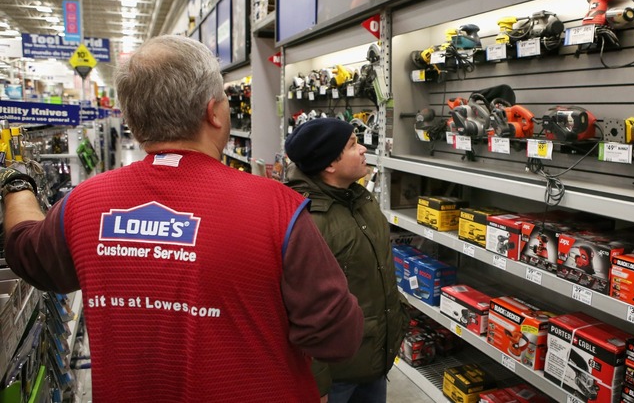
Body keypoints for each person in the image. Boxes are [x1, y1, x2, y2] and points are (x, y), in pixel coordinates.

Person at [2, 35, 363, 402]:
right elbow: (337, 339)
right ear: (214, 112)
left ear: (132, 119)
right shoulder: (278, 209)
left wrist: (18, 182)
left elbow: (24, 249)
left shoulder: (84, 205)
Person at [284, 118, 408, 403]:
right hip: (337, 375)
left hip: (374, 357)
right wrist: (318, 385)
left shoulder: (359, 199)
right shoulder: (308, 221)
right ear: (329, 164)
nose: (364, 149)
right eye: (353, 144)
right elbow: (302, 311)